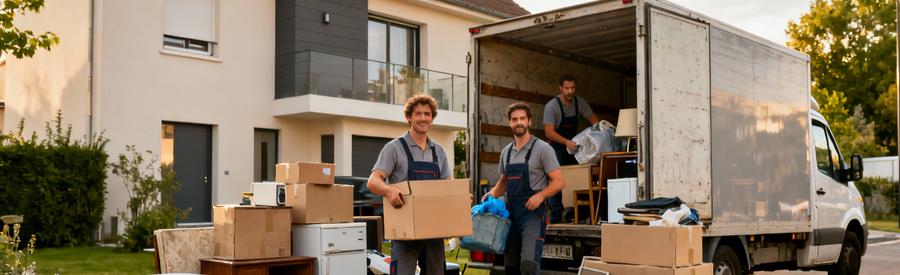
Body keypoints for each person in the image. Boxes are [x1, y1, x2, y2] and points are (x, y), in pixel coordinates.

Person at [367, 95, 452, 275]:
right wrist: (389, 191)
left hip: (434, 228)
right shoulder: (394, 148)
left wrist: (459, 200)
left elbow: (448, 186)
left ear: (432, 118)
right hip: (405, 229)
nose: (423, 118)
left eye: (427, 114)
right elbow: (373, 181)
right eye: (418, 114)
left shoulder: (439, 151)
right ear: (408, 117)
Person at [484, 102, 565, 275]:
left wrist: (541, 196)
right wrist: (492, 194)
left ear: (529, 121)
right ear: (509, 123)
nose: (519, 122)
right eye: (514, 119)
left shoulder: (543, 149)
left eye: (522, 118)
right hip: (510, 216)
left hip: (532, 216)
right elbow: (504, 180)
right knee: (510, 266)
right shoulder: (506, 152)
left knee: (529, 265)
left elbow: (559, 182)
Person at [542, 74, 599, 223]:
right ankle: (556, 216)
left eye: (573, 88)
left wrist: (599, 135)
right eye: (567, 88)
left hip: (573, 145)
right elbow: (548, 132)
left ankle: (580, 213)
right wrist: (566, 142)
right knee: (556, 180)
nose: (570, 91)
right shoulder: (552, 106)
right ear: (560, 88)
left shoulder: (580, 103)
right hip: (556, 146)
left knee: (581, 176)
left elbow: (595, 122)